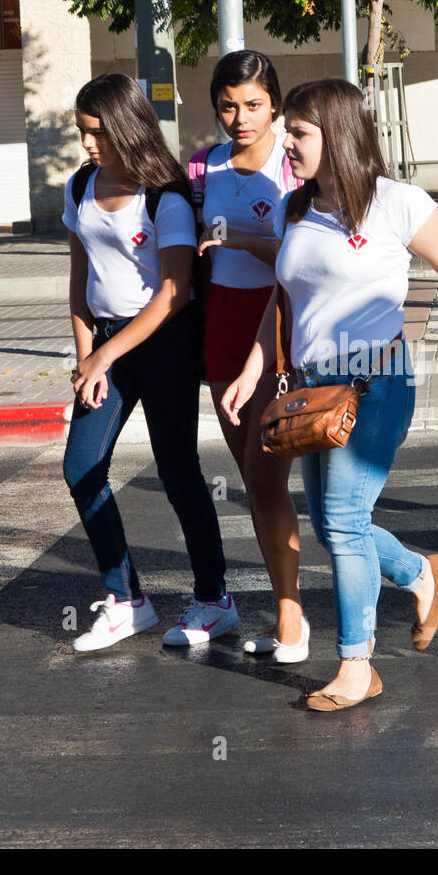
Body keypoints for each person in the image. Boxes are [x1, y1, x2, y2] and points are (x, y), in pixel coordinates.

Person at [222, 78, 438, 710]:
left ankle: (358, 664)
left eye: (298, 132)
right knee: (332, 524)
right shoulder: (298, 209)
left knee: (345, 523)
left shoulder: (398, 204)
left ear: (338, 134)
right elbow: (283, 295)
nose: (286, 143)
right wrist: (251, 367)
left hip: (377, 380)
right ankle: (419, 573)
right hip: (313, 388)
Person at [62, 72, 235, 652]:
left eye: (97, 132)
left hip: (164, 339)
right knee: (81, 467)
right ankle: (126, 600)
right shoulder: (80, 185)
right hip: (106, 341)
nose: (88, 144)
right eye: (83, 132)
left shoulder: (165, 194)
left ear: (126, 126)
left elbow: (174, 291)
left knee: (177, 471)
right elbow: (79, 275)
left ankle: (215, 599)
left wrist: (107, 352)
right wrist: (89, 356)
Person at [192, 50, 308, 662]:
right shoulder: (201, 166)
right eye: (229, 105)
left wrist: (241, 238)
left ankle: (292, 618)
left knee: (266, 480)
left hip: (277, 328)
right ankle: (284, 606)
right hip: (220, 327)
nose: (241, 117)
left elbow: (298, 258)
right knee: (251, 481)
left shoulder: (291, 169)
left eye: (254, 105)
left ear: (275, 106)